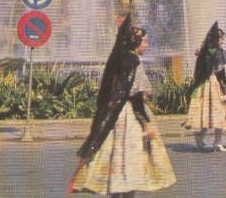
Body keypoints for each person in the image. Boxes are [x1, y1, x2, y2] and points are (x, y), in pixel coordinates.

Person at [71, 14, 176, 197]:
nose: (147, 44)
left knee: (115, 159)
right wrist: (146, 123)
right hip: (128, 115)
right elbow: (133, 94)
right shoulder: (132, 61)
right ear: (135, 42)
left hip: (114, 115)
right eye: (144, 41)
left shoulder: (120, 57)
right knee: (131, 161)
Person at [183, 21, 226, 152]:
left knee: (212, 113)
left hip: (207, 85)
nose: (222, 41)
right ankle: (211, 140)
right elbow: (220, 73)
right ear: (216, 39)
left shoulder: (207, 51)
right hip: (215, 85)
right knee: (218, 112)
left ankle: (208, 139)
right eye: (221, 39)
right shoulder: (216, 52)